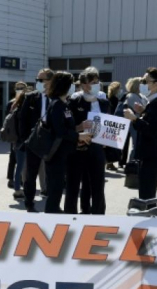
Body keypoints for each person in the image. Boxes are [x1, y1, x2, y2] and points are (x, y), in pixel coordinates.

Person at [43, 72, 89, 213]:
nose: (73, 87)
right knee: (55, 190)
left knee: (58, 188)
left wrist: (79, 128)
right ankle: (51, 218)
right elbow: (60, 131)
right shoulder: (57, 104)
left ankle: (55, 213)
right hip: (55, 154)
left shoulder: (64, 104)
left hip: (64, 153)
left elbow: (66, 127)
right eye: (71, 84)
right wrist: (79, 136)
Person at [68, 68, 111, 215]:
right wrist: (78, 127)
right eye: (88, 83)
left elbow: (110, 123)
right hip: (79, 147)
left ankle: (99, 213)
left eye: (95, 82)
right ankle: (83, 211)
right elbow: (68, 125)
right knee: (78, 182)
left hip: (98, 146)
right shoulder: (75, 100)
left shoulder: (104, 101)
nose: (92, 86)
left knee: (98, 182)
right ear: (83, 85)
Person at [124, 68, 157, 200]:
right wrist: (143, 111)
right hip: (152, 155)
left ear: (156, 84)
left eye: (146, 81)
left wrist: (134, 118)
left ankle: (150, 218)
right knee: (147, 193)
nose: (142, 84)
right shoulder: (153, 103)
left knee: (147, 195)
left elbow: (151, 130)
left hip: (152, 156)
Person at [19, 68, 54, 212]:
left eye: (41, 80)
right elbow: (22, 120)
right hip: (34, 141)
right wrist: (25, 140)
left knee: (53, 173)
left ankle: (53, 204)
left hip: (52, 140)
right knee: (30, 174)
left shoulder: (58, 97)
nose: (38, 82)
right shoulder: (31, 97)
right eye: (37, 79)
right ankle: (29, 203)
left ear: (50, 81)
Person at [5, 82, 27, 189]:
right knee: (13, 157)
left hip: (23, 134)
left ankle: (22, 179)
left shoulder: (27, 102)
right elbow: (7, 119)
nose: (20, 89)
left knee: (22, 159)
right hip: (14, 134)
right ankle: (11, 178)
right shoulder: (11, 103)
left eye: (22, 88)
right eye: (18, 88)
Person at [8, 86, 29, 200]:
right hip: (22, 141)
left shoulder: (15, 108)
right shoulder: (22, 111)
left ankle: (18, 188)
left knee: (19, 166)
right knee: (22, 166)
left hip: (15, 141)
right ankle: (18, 189)